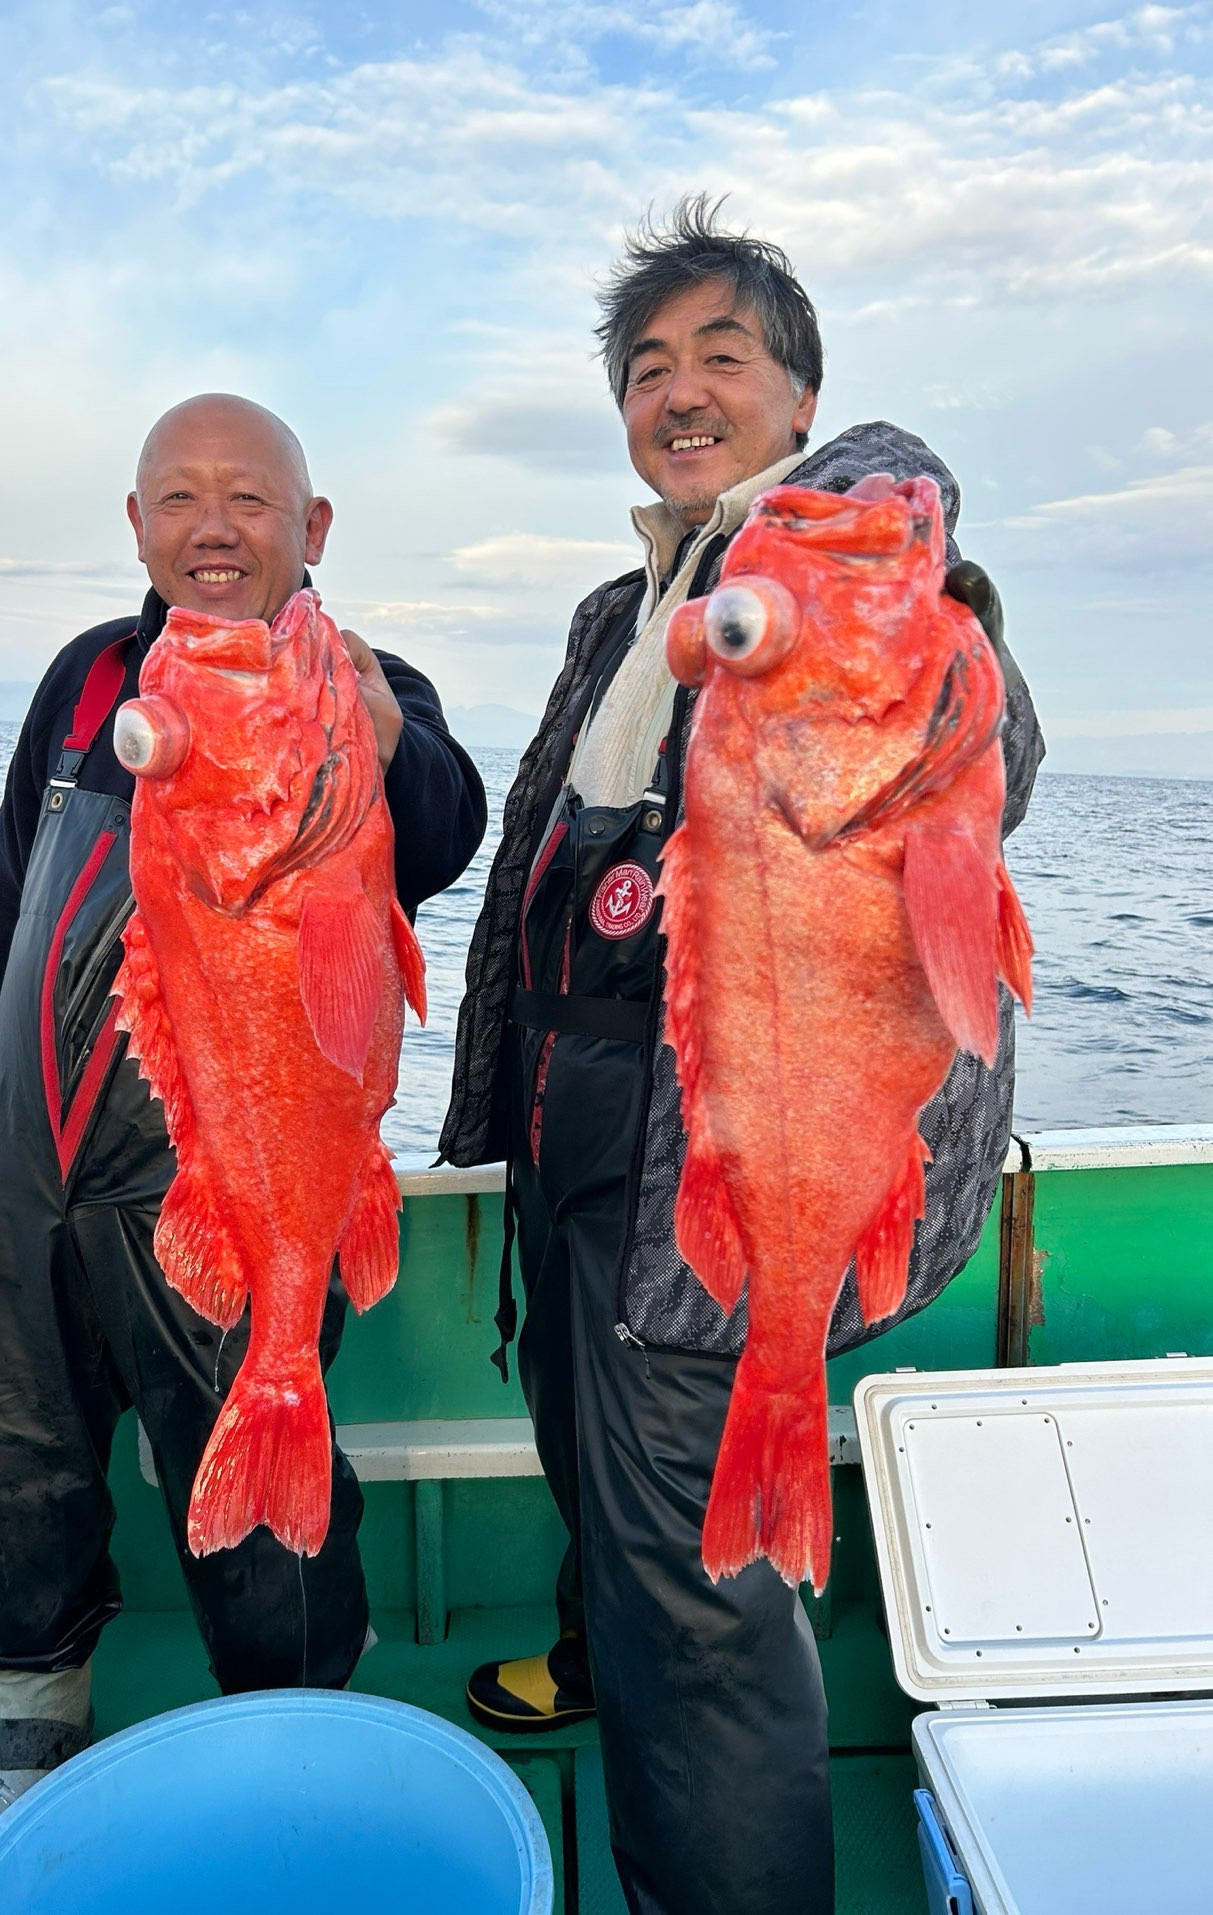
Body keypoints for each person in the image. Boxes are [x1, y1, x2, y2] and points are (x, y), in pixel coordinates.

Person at [439, 199, 1044, 1915]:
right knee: (599, 1494)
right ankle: (598, 1647)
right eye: (648, 367)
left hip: (713, 1164)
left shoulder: (880, 594)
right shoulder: (613, 607)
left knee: (699, 1609)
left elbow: (992, 753)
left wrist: (868, 528)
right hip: (577, 1152)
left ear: (800, 401)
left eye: (724, 356)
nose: (681, 390)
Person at [0, 393, 486, 1869]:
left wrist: (380, 739)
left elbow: (439, 824)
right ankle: (35, 1716)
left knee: (244, 1446)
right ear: (136, 528)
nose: (214, 525)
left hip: (221, 1159)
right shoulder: (88, 679)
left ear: (312, 530)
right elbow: (9, 879)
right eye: (178, 498)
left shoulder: (359, 681)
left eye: (250, 499)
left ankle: (301, 1724)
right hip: (32, 1151)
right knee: (7, 1435)